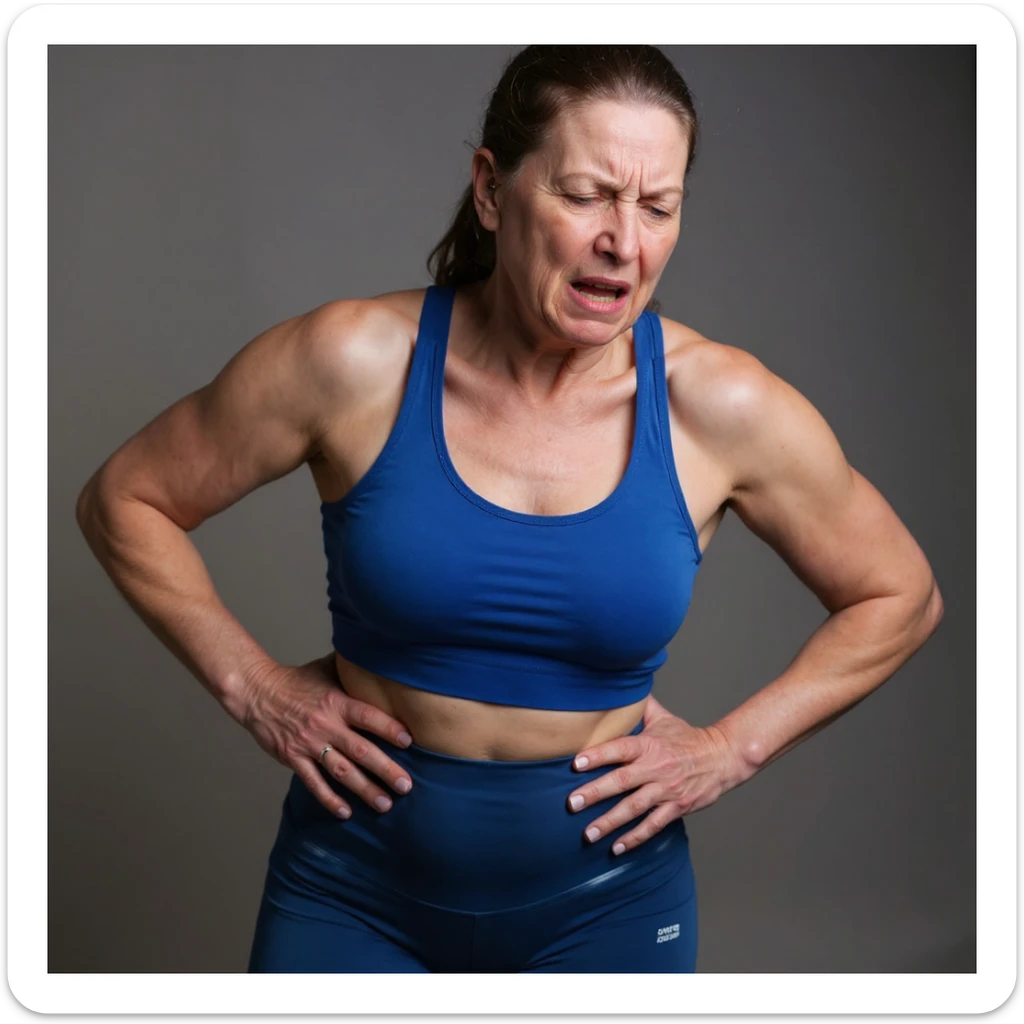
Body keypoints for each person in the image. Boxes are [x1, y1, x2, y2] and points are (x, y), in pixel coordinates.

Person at [75, 44, 944, 974]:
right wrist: (254, 688)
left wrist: (730, 750)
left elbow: (901, 595)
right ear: (492, 190)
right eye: (588, 196)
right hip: (350, 894)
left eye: (658, 207)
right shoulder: (355, 362)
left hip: (607, 910)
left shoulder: (717, 406)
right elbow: (125, 498)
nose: (624, 242)